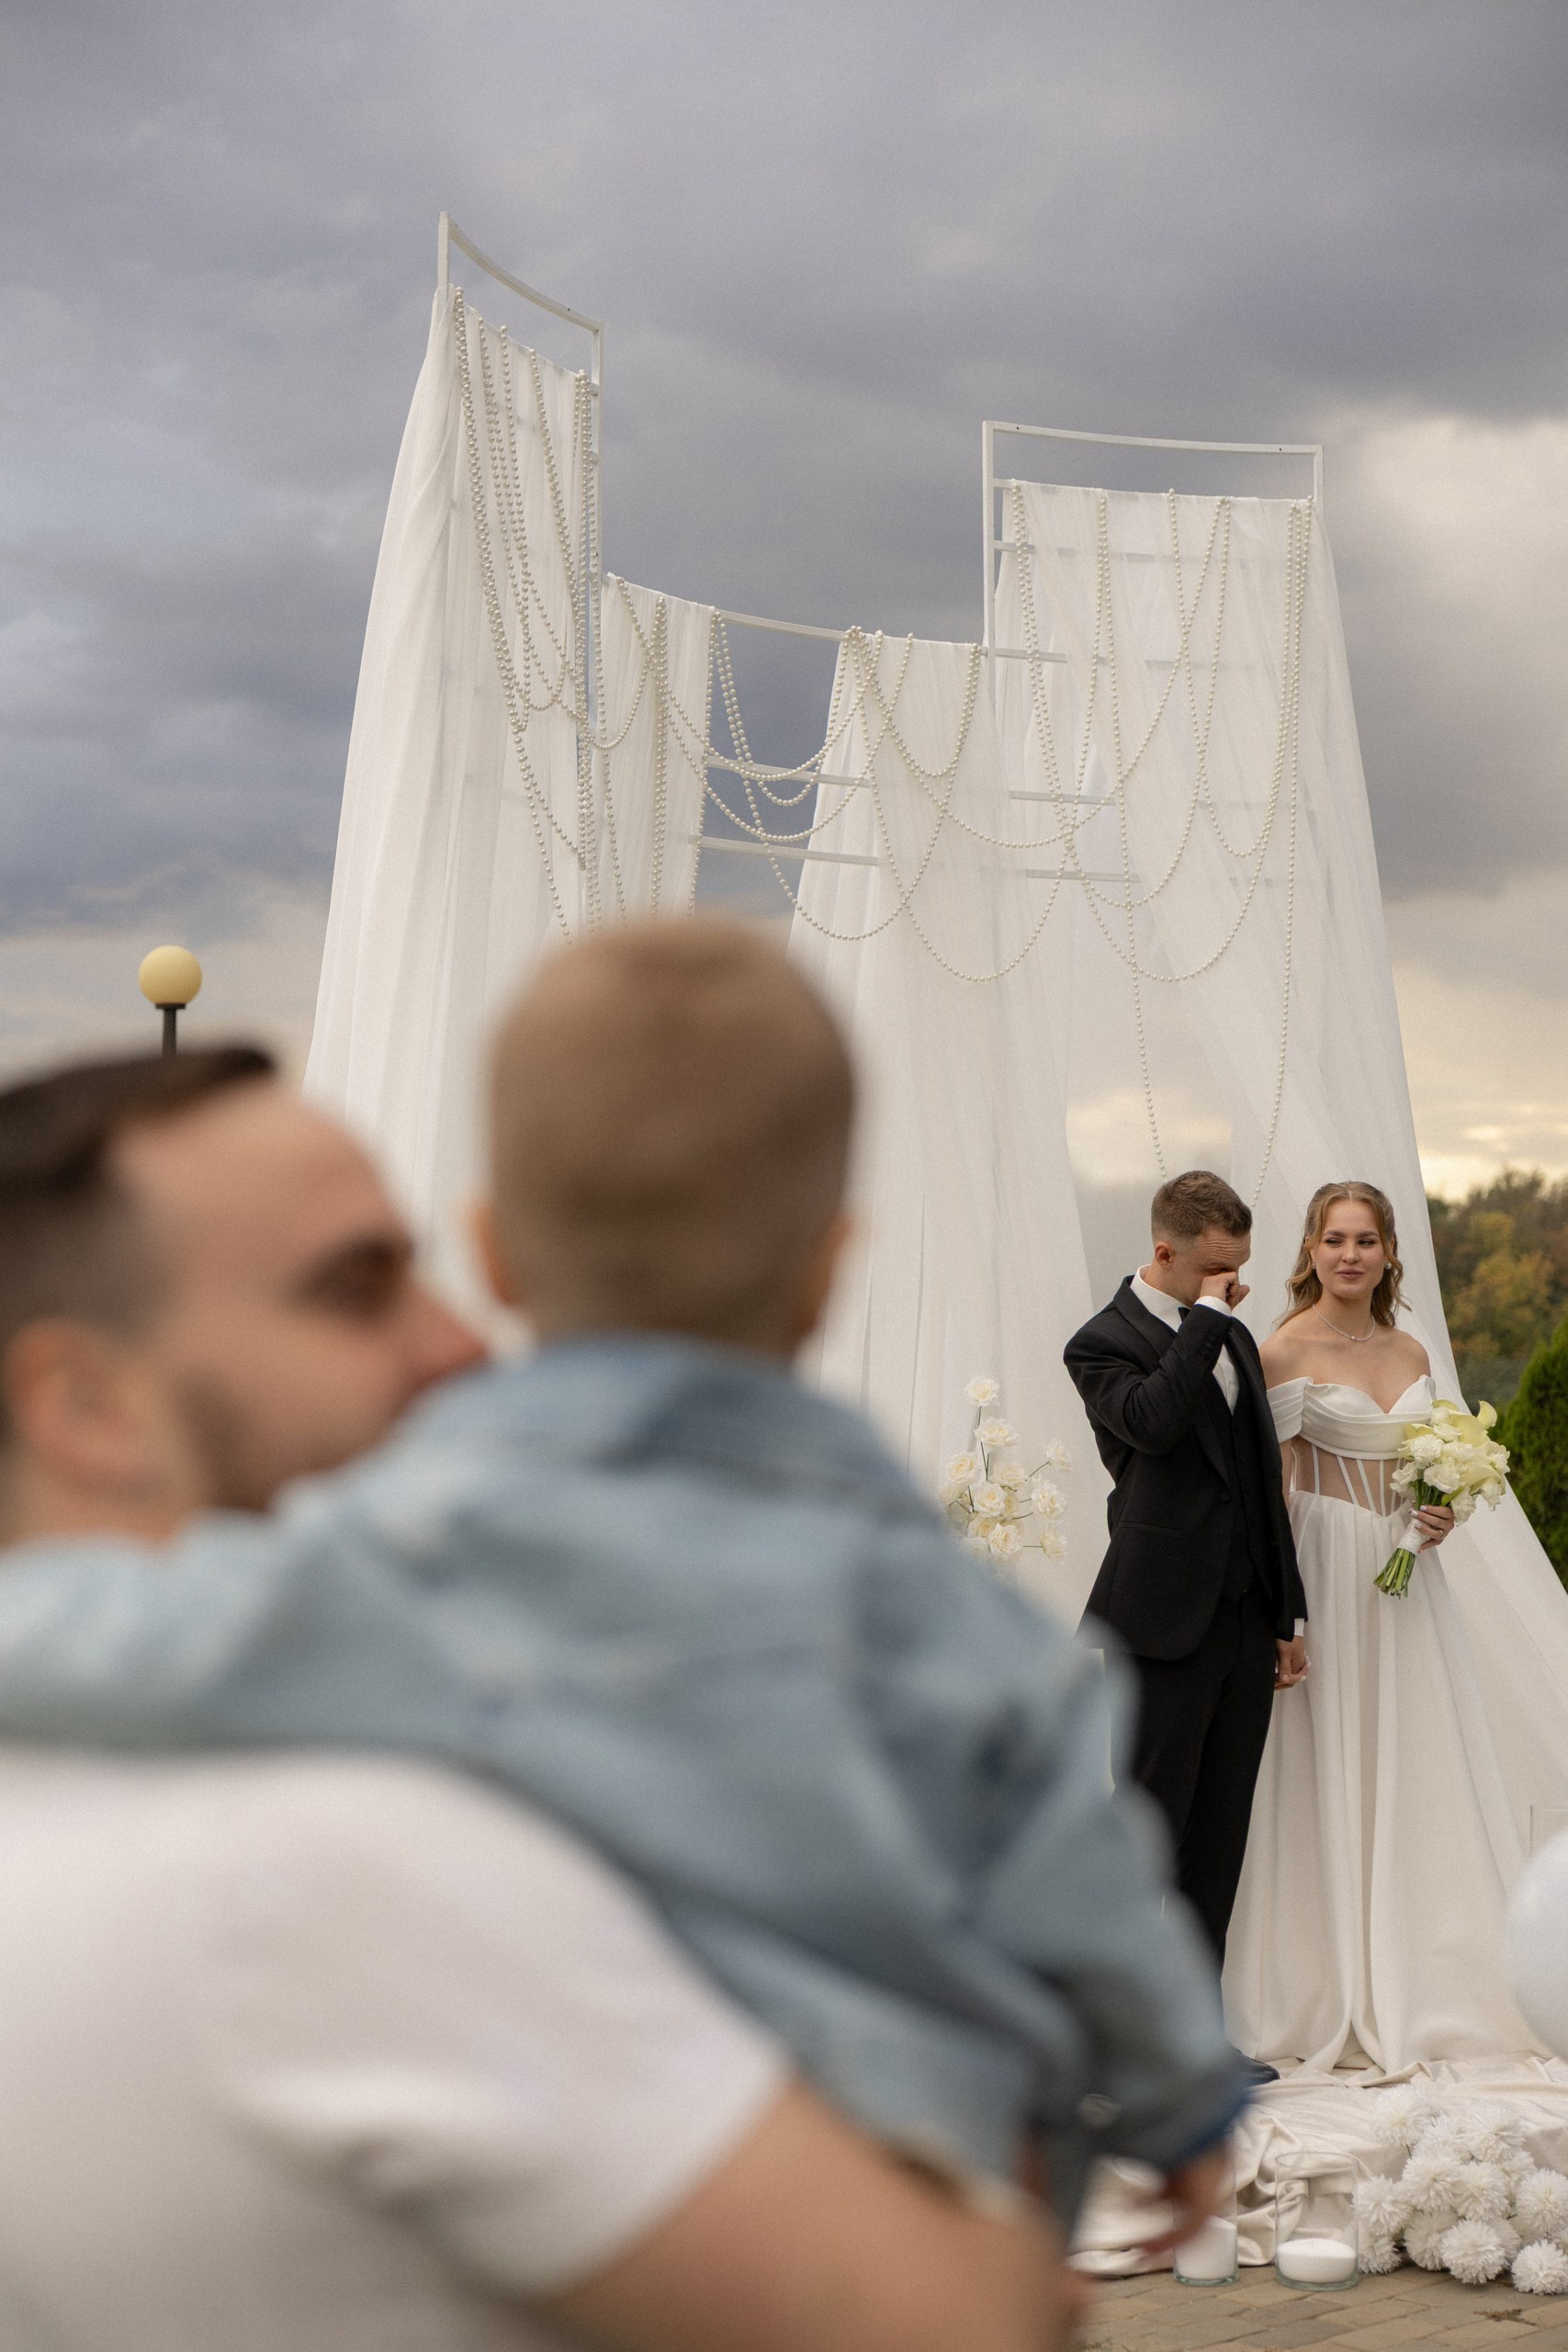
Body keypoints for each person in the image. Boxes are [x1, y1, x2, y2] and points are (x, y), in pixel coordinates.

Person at [0, 922, 1243, 2230]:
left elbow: (123, 1636)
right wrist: (1180, 2102)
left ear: (489, 1253)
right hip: (912, 2157)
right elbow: (1090, 1892)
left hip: (598, 2168)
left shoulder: (392, 1556)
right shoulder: (950, 1612)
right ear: (829, 1265)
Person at [1224, 1180, 1541, 2074]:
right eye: (1335, 1239)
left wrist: (1440, 1514)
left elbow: (1426, 1468)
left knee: (1415, 1754)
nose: (1350, 1255)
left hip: (1406, 1578)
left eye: (1365, 1240)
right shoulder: (1282, 1349)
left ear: (1389, 1251)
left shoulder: (1410, 1348)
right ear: (1311, 1249)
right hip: (1323, 1566)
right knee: (1326, 1758)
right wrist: (1281, 1609)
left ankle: (1429, 1974)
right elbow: (1266, 1492)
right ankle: (1319, 1981)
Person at [1064, 1171, 1309, 2005]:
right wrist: (1206, 1319)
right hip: (1156, 1622)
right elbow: (1152, 1423)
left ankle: (1197, 2035)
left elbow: (1260, 1480)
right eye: (1213, 1269)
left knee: (1218, 1836)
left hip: (1243, 1618)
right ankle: (1127, 2036)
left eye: (1237, 1267)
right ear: (1163, 1252)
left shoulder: (1230, 1336)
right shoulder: (1100, 1342)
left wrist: (1285, 1611)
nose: (1230, 1284)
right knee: (1146, 1836)